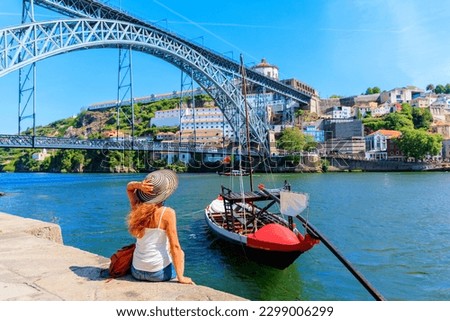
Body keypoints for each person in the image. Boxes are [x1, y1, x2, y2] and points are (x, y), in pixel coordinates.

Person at [126, 169, 193, 284]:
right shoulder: (167, 213)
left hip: (136, 271)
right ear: (164, 195)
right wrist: (180, 277)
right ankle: (180, 276)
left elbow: (129, 188)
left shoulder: (136, 208)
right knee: (180, 252)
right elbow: (175, 247)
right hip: (158, 274)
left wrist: (139, 185)